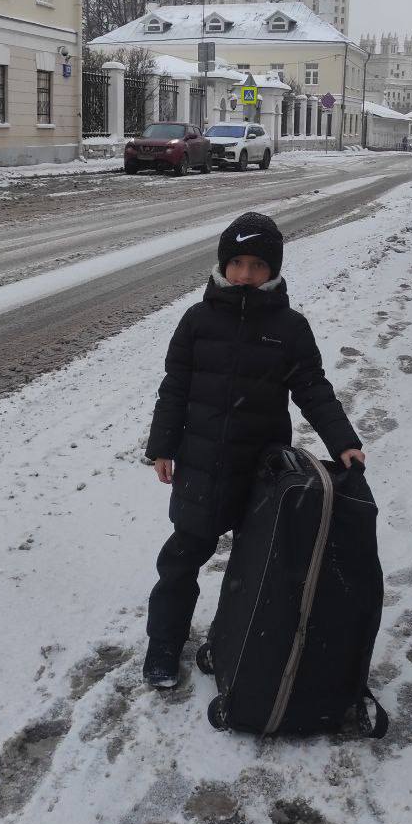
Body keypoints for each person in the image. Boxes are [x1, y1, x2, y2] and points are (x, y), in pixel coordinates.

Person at [143, 211, 365, 688]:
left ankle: (231, 640)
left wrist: (343, 442)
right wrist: (162, 447)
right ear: (223, 265)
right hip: (200, 467)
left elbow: (313, 388)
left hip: (260, 472)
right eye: (238, 262)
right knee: (181, 560)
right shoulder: (197, 320)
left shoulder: (289, 327)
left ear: (273, 270)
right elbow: (175, 387)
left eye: (258, 265)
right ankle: (163, 644)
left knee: (253, 566)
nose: (246, 274)